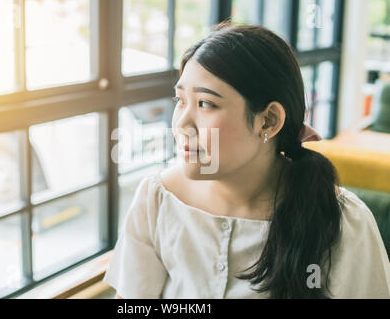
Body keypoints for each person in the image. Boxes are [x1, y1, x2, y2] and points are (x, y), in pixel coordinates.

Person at [103, 22, 390, 299]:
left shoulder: (342, 223)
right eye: (180, 100)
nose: (182, 125)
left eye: (205, 103)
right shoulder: (157, 199)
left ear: (268, 121)